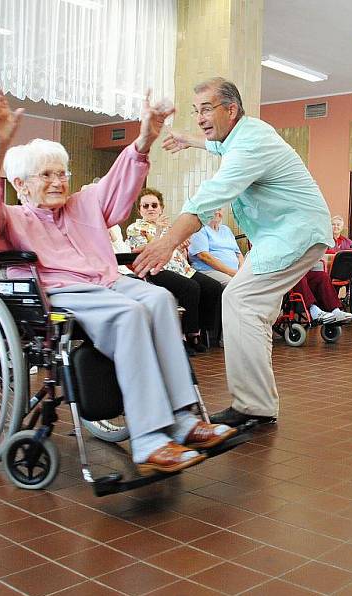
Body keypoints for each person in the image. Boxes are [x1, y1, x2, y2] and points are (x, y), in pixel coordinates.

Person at [0, 90, 234, 475]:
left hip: (108, 280)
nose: (58, 182)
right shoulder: (10, 217)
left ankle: (184, 419)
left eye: (61, 173)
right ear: (21, 184)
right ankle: (149, 440)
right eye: (47, 175)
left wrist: (146, 137)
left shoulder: (84, 202)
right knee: (128, 315)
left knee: (158, 300)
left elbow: (119, 183)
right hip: (61, 291)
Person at [133, 77, 333, 428]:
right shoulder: (240, 135)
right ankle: (258, 402)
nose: (200, 117)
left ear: (231, 109)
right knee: (250, 309)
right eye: (196, 111)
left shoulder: (250, 144)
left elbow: (209, 197)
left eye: (207, 109)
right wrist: (190, 140)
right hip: (283, 234)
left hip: (294, 233)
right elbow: (219, 147)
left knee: (240, 301)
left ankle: (253, 406)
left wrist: (165, 242)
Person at [126, 188, 223, 355]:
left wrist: (182, 246)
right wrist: (157, 231)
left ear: (161, 208)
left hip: (181, 268)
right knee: (190, 287)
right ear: (140, 209)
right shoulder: (134, 228)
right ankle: (184, 337)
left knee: (213, 287)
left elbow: (177, 249)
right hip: (155, 268)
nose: (150, 208)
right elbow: (140, 250)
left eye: (154, 205)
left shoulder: (170, 227)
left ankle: (197, 331)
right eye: (145, 206)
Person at [187, 208, 243, 286]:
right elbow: (204, 256)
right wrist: (233, 273)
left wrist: (242, 272)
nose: (217, 212)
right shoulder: (199, 229)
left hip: (234, 273)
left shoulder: (226, 230)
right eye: (213, 210)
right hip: (210, 270)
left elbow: (238, 254)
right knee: (236, 286)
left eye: (219, 209)